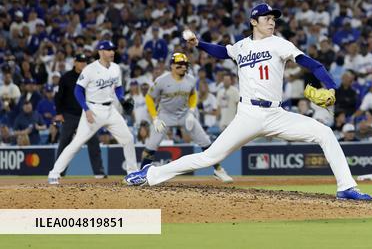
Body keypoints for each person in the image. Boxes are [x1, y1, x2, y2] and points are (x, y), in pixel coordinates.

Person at [124, 3, 371, 200]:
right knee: (209, 157)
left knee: (325, 133)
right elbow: (223, 51)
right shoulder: (241, 46)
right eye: (266, 18)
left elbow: (311, 63)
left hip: (276, 114)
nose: (272, 21)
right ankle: (150, 173)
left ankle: (346, 187)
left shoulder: (280, 43)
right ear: (254, 21)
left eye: (273, 18)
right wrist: (199, 44)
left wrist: (331, 86)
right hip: (248, 115)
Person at [47, 41, 137, 184]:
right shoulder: (90, 69)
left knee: (128, 139)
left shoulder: (116, 68)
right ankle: (54, 173)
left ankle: (132, 173)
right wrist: (86, 109)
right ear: (101, 52)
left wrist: (121, 99)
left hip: (110, 109)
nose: (112, 52)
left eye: (113, 49)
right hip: (93, 110)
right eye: (108, 50)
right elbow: (78, 90)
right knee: (77, 143)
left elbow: (118, 88)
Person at [140, 52, 233, 182]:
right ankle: (141, 174)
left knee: (205, 142)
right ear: (172, 65)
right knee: (151, 146)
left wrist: (191, 111)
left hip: (184, 114)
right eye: (180, 64)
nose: (183, 67)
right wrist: (155, 118)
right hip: (165, 115)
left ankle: (218, 170)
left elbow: (193, 95)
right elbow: (149, 97)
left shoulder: (190, 79)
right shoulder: (162, 80)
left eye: (185, 64)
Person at [52, 53, 105, 179]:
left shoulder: (90, 76)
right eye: (80, 61)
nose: (83, 64)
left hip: (87, 115)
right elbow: (58, 97)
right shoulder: (66, 78)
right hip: (70, 115)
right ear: (75, 62)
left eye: (84, 62)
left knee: (94, 143)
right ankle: (58, 172)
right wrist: (59, 113)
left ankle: (99, 172)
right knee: (64, 143)